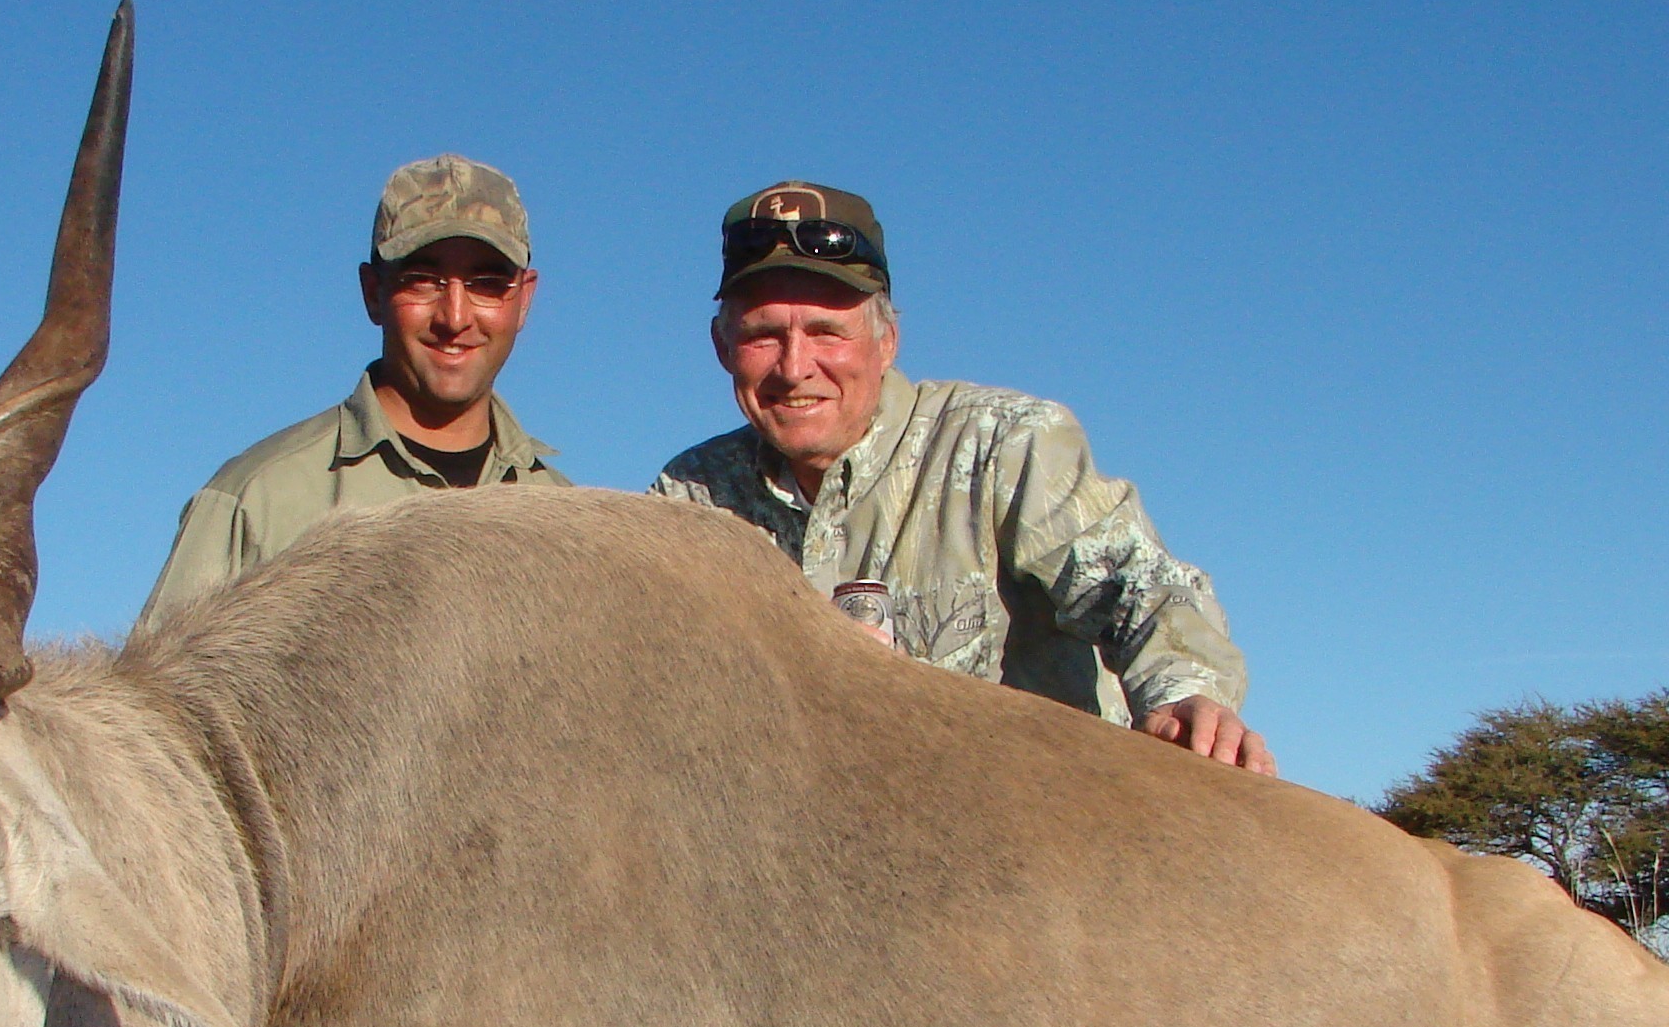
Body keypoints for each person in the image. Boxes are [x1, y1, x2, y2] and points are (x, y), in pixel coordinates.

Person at [649, 181, 1274, 774]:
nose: (795, 367)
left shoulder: (1006, 442)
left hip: (1039, 821)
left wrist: (1185, 694)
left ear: (886, 340)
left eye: (826, 332)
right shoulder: (689, 496)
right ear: (722, 346)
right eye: (763, 336)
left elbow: (1140, 585)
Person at [137, 155, 569, 627]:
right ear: (372, 292)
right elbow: (160, 699)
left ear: (523, 300)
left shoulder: (570, 525)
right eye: (422, 280)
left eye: (487, 284)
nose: (455, 317)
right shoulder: (256, 500)